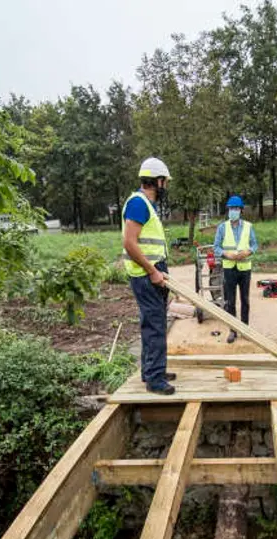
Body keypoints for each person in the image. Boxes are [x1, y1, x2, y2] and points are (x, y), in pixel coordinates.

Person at [122, 157, 178, 395]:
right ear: (157, 181)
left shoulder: (146, 204)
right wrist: (153, 271)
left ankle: (151, 370)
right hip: (146, 275)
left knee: (153, 323)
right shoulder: (138, 204)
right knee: (155, 325)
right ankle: (155, 379)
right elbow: (129, 243)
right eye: (164, 182)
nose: (166, 186)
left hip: (151, 271)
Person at [212, 195, 258, 343]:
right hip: (229, 268)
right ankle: (233, 330)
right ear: (228, 210)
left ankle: (245, 329)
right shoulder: (222, 227)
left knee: (245, 299)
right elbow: (216, 247)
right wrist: (226, 254)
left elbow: (254, 245)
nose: (234, 211)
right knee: (230, 301)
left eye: (236, 209)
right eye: (231, 208)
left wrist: (248, 252)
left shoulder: (248, 226)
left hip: (245, 268)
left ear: (241, 211)